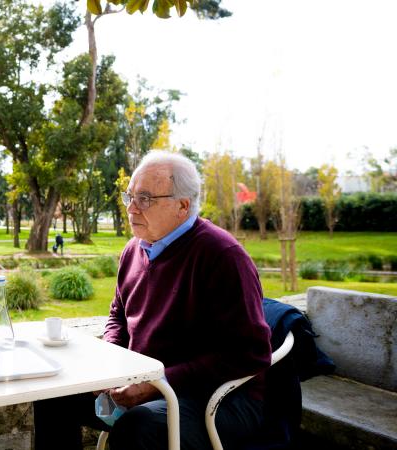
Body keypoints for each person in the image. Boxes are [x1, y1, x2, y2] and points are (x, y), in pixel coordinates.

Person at [34, 151, 272, 450]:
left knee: (137, 426)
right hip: (144, 382)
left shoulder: (222, 255)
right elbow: (118, 316)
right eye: (129, 197)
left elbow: (250, 353)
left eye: (145, 199)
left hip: (218, 398)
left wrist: (157, 383)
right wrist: (109, 365)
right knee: (52, 394)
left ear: (182, 206)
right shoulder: (134, 250)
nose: (131, 208)